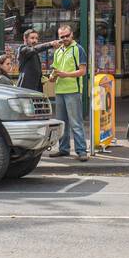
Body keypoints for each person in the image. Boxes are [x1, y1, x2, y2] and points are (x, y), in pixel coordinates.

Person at [49, 23, 88, 161]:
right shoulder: (58, 51)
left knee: (76, 122)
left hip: (73, 90)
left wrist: (65, 74)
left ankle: (81, 150)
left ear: (72, 35)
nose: (64, 38)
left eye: (67, 36)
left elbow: (83, 71)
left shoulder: (78, 49)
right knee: (61, 122)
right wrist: (52, 77)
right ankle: (63, 149)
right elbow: (55, 71)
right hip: (59, 90)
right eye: (62, 36)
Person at [15, 28, 54, 92]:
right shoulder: (23, 49)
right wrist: (50, 44)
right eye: (32, 38)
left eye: (36, 38)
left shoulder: (34, 52)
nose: (35, 41)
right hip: (26, 88)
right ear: (25, 38)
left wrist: (41, 78)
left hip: (36, 88)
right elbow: (34, 49)